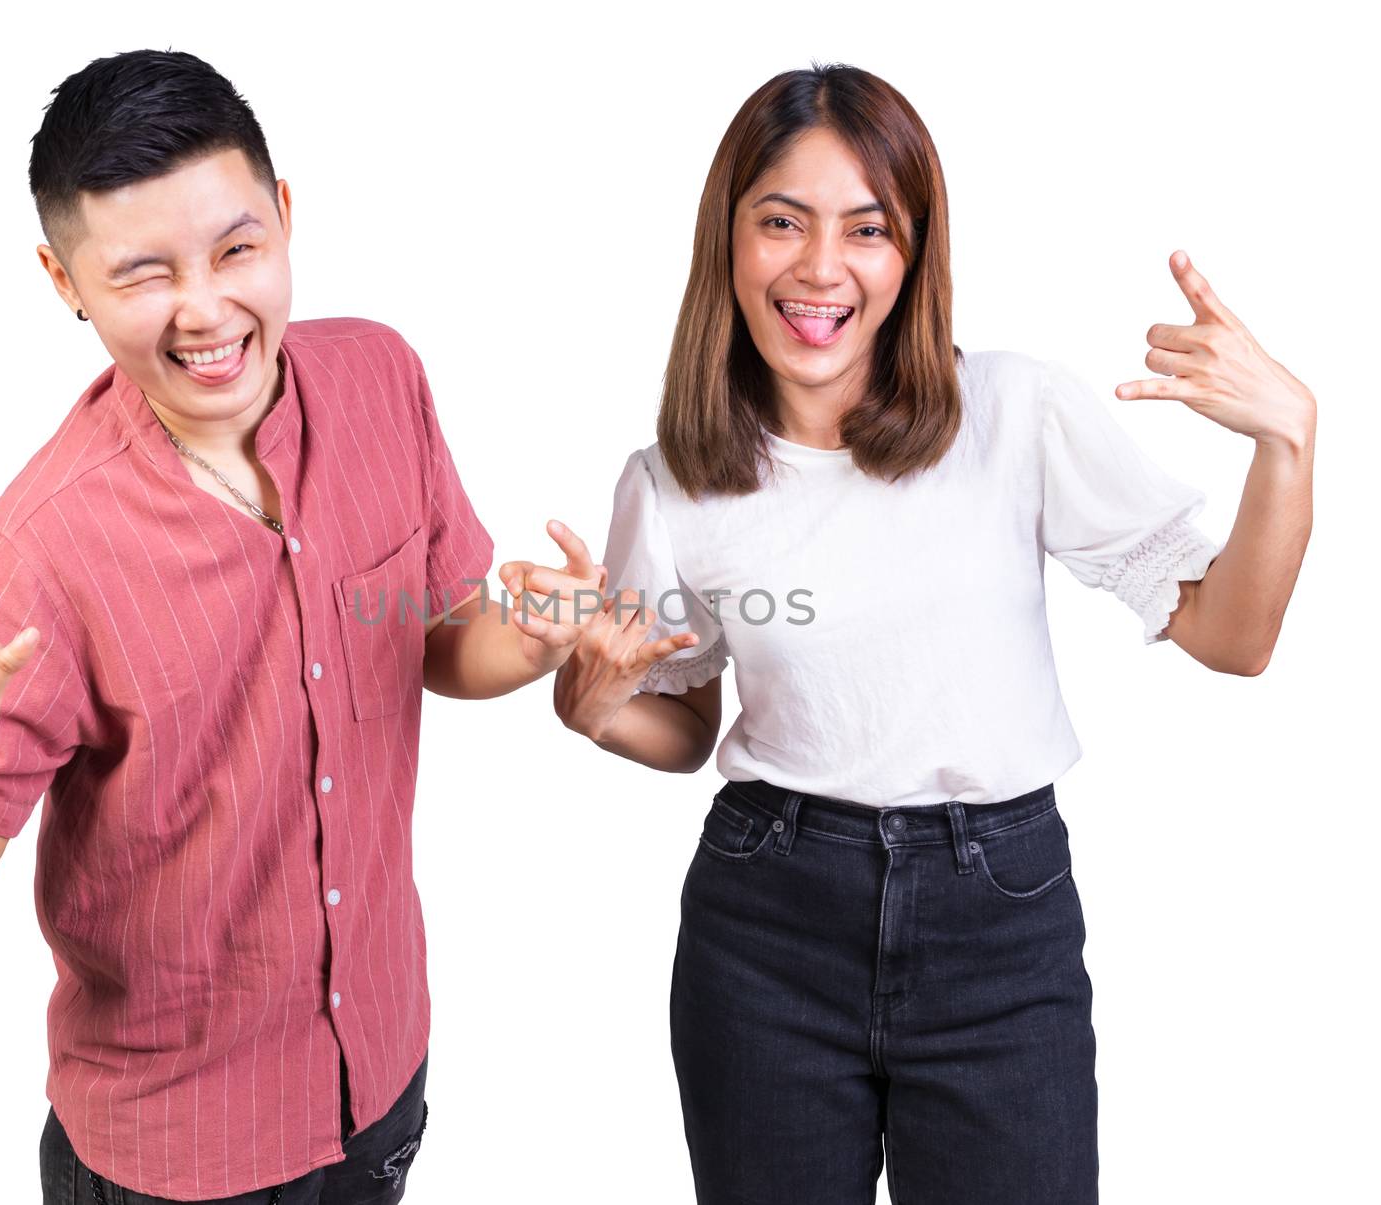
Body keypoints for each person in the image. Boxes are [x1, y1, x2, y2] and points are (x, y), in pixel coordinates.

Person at [0, 49, 604, 1204]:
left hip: (379, 1076)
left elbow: (438, 636)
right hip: (176, 1154)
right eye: (144, 273)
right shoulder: (37, 549)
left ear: (286, 217)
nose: (205, 311)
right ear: (66, 282)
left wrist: (530, 635)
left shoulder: (379, 378)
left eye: (237, 249)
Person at [550, 63, 1315, 1204]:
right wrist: (588, 701)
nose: (819, 267)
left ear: (911, 257)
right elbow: (683, 725)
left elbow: (1232, 636)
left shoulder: (1014, 412)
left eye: (867, 229)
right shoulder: (671, 484)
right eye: (780, 222)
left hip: (997, 924)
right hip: (765, 928)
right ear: (728, 242)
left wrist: (1287, 443)